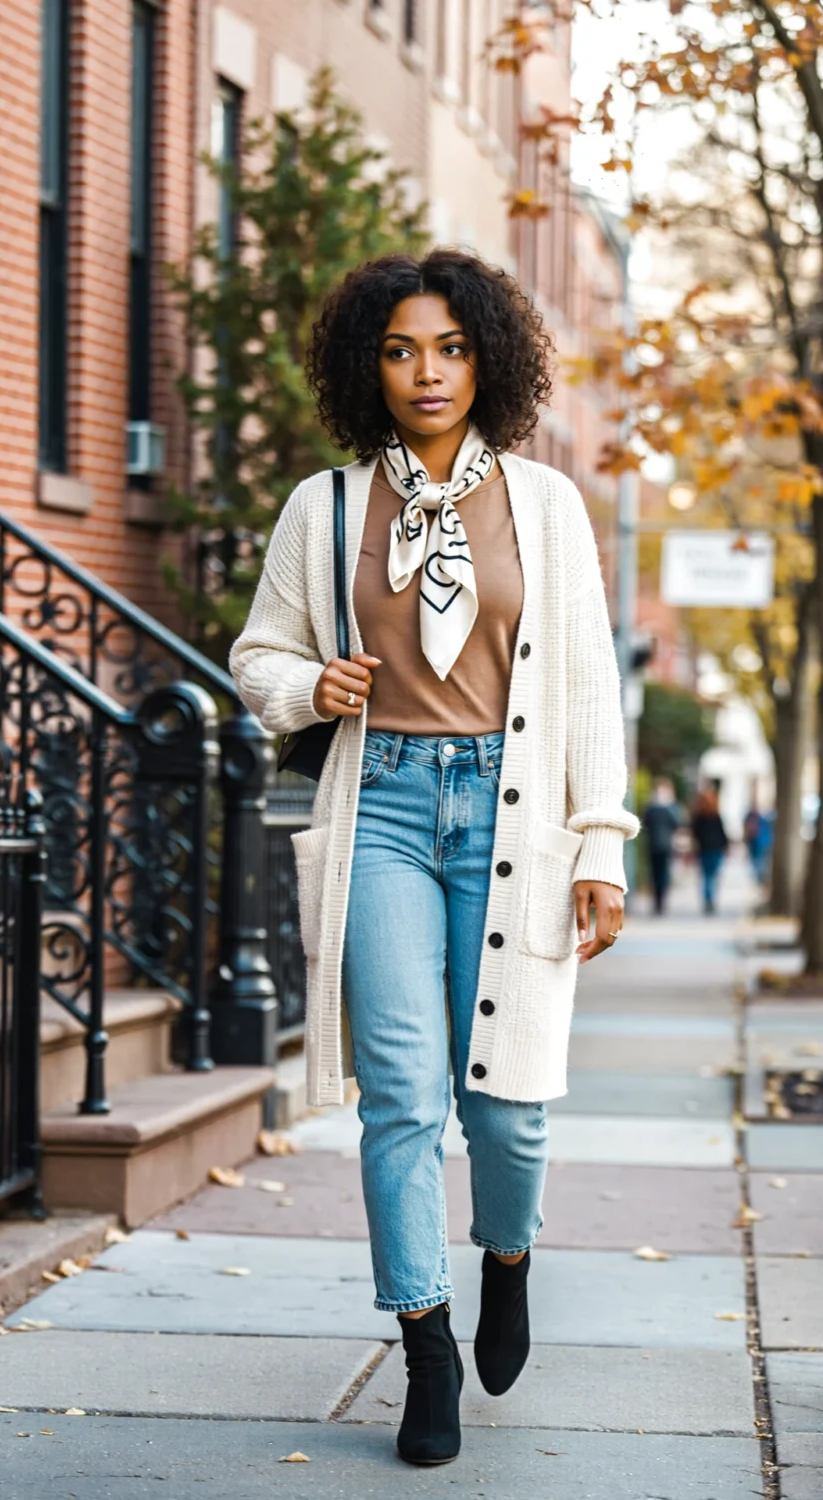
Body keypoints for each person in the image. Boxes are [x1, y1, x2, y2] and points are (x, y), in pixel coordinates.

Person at [230, 249, 638, 1466]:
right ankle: (424, 1344)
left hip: (515, 823)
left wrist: (601, 840)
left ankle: (506, 1257)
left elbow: (586, 688)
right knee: (403, 1102)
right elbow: (259, 661)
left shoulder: (549, 507)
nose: (425, 371)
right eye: (401, 348)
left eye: (450, 348)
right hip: (388, 810)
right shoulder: (327, 507)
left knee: (505, 1112)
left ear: (487, 363)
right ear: (370, 364)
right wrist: (314, 681)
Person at [642, 777, 680, 915]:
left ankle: (661, 902)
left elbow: (676, 822)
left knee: (663, 875)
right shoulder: (651, 808)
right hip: (653, 845)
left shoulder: (669, 808)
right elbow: (645, 822)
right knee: (654, 875)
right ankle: (656, 902)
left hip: (665, 846)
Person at [691, 784, 729, 914]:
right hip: (716, 849)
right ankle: (711, 899)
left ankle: (708, 899)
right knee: (713, 876)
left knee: (706, 876)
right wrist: (726, 846)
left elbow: (694, 834)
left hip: (704, 849)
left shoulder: (699, 817)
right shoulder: (716, 815)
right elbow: (723, 833)